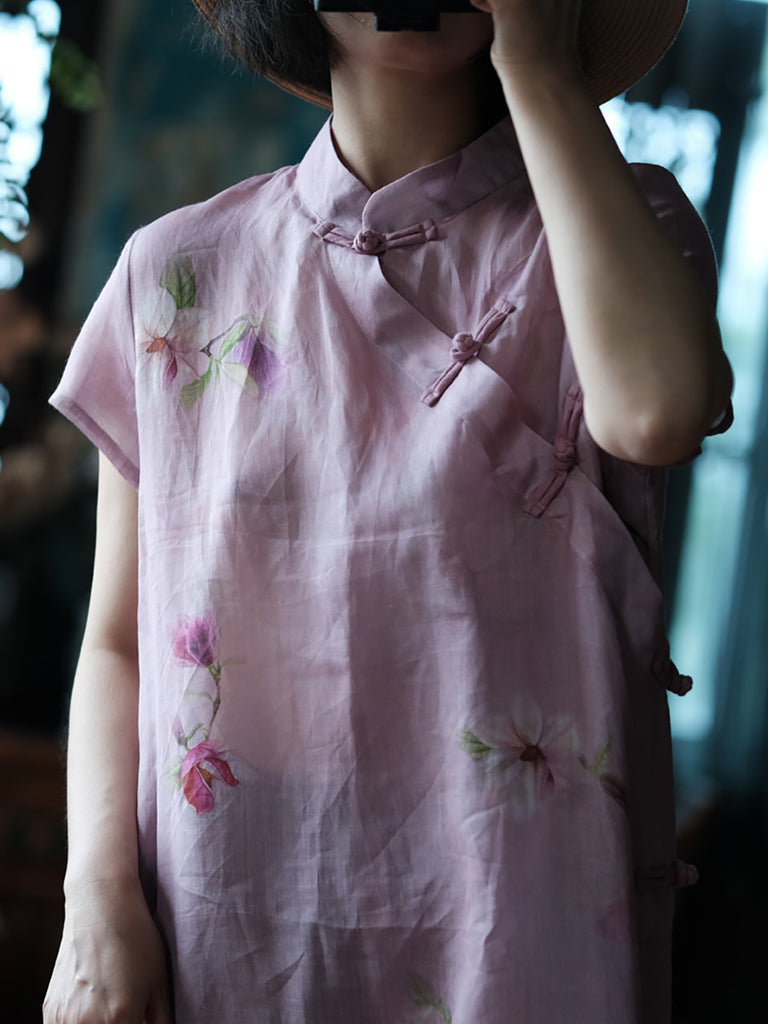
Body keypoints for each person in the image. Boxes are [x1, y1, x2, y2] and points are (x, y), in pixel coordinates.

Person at [43, 1, 733, 1022]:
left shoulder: (625, 230)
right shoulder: (179, 272)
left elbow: (657, 410)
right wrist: (95, 898)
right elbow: (119, 641)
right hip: (227, 916)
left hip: (527, 918)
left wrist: (540, 65)